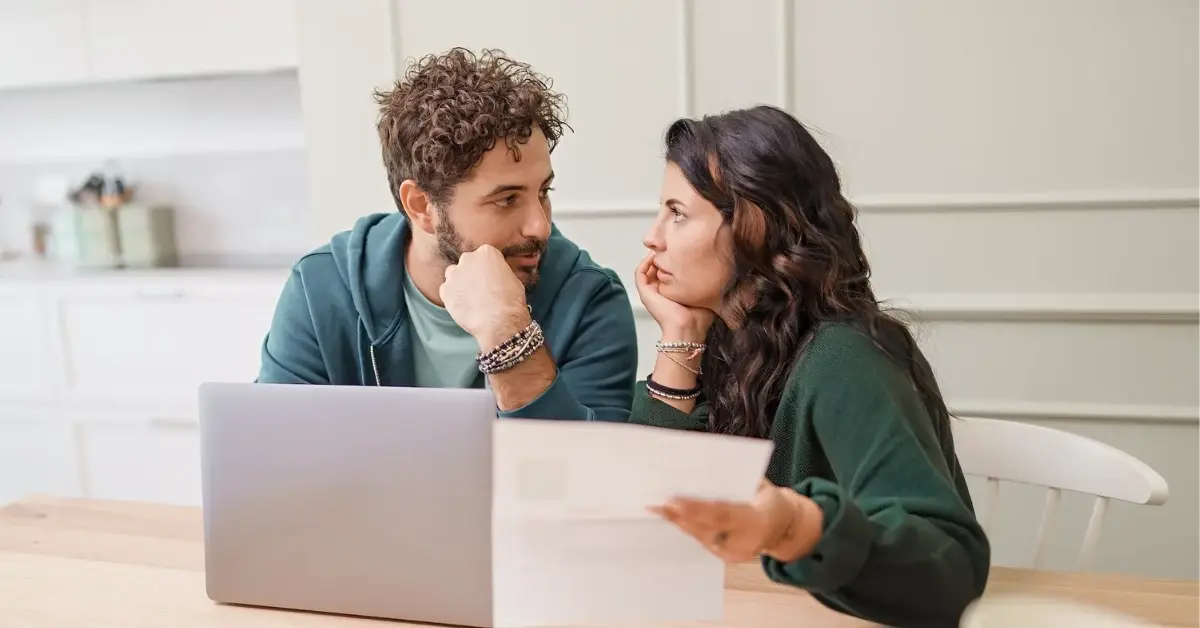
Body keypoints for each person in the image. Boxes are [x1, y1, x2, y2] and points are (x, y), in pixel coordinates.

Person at [634, 105, 991, 627]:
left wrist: (795, 526)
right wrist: (680, 337)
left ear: (753, 224)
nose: (653, 237)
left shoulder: (846, 357)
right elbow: (649, 523)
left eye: (677, 213)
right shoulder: (726, 340)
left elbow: (951, 568)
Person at [257, 48, 638, 421]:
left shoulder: (590, 299)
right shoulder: (320, 289)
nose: (540, 225)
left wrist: (509, 336)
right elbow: (272, 454)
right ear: (421, 206)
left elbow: (584, 473)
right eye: (507, 200)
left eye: (543, 192)